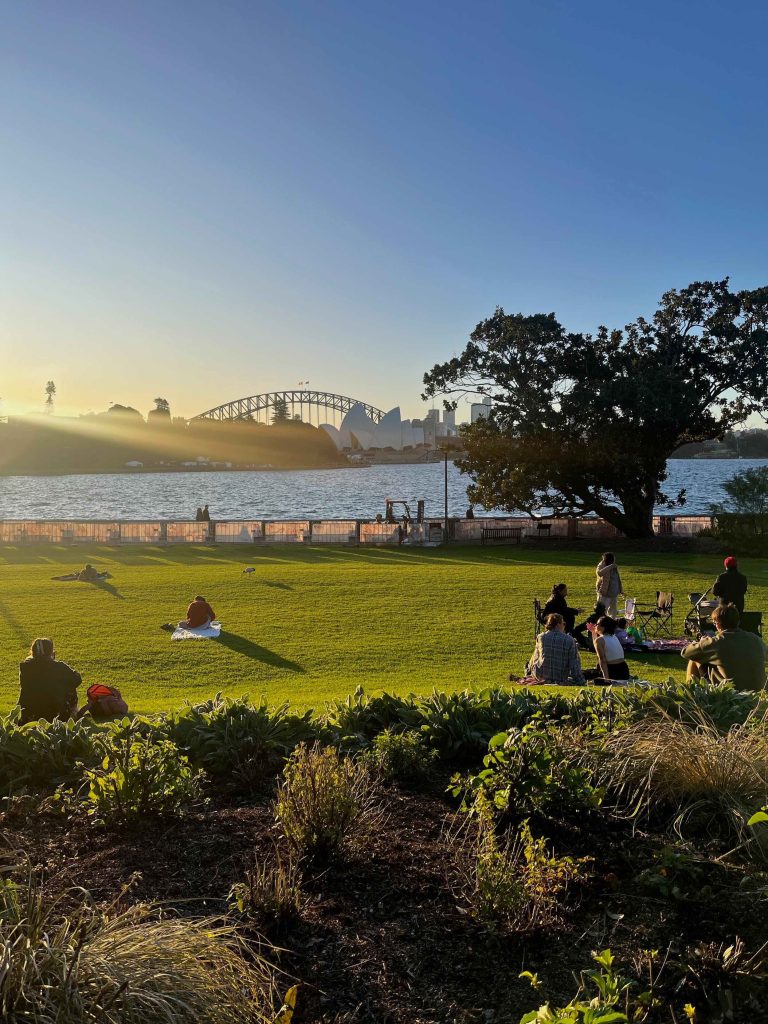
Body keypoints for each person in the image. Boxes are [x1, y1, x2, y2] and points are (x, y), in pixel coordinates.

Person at [681, 603, 767, 691]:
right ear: (738, 621)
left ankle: (691, 695)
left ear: (717, 625)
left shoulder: (715, 642)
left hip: (732, 693)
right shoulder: (756, 639)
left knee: (695, 658)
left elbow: (685, 652)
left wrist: (702, 642)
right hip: (759, 692)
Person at [18, 638, 82, 724]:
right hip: (56, 716)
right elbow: (77, 679)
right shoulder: (59, 667)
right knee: (70, 686)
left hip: (30, 715)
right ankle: (73, 713)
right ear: (52, 653)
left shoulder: (25, 668)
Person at [525, 613, 585, 685]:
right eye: (563, 623)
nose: (564, 626)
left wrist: (529, 670)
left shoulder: (541, 637)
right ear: (558, 624)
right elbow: (574, 663)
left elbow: (535, 658)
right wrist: (580, 680)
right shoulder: (569, 640)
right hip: (560, 677)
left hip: (540, 675)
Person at [594, 616, 631, 681]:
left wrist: (606, 679)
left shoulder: (599, 640)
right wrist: (593, 632)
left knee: (588, 674)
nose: (595, 626)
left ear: (603, 627)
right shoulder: (614, 637)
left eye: (597, 624)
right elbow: (597, 643)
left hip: (612, 671)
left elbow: (602, 660)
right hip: (624, 671)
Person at [596, 552, 622, 617]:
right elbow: (599, 573)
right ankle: (601, 624)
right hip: (605, 593)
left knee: (613, 612)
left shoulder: (614, 566)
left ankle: (611, 624)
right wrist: (610, 566)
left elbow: (617, 578)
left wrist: (621, 590)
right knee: (602, 611)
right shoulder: (602, 565)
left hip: (614, 593)